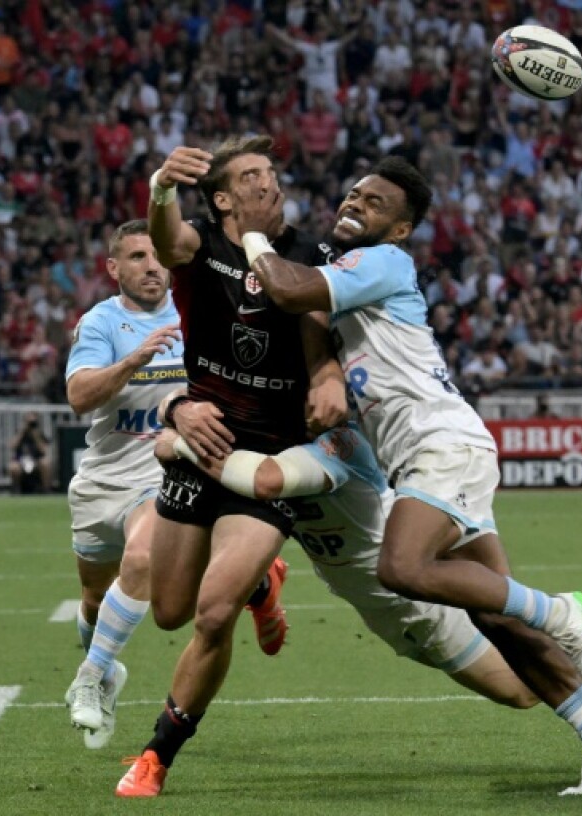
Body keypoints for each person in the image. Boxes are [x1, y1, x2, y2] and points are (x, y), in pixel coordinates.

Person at [228, 157, 582, 794]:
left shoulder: (384, 263)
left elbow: (287, 288)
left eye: (376, 202)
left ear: (402, 229)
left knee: (402, 568)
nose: (355, 204)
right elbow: (309, 316)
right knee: (497, 620)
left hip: (441, 443)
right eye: (353, 194)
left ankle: (564, 614)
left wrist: (252, 234)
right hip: (422, 453)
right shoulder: (342, 279)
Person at [155, 414, 582, 753]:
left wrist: (181, 438)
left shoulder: (339, 445)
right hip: (392, 611)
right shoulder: (286, 440)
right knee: (526, 674)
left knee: (524, 687)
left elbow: (264, 481)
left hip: (421, 602)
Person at [116, 136, 347, 797]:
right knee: (168, 612)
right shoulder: (201, 250)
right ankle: (262, 587)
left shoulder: (309, 257)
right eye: (251, 176)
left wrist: (327, 376)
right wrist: (161, 187)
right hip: (199, 451)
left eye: (272, 173)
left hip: (268, 460)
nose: (268, 184)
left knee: (210, 616)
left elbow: (323, 333)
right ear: (221, 199)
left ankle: (157, 754)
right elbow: (168, 241)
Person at [60, 221, 184, 750]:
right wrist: (133, 360)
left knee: (142, 560)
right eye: (137, 256)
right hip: (102, 477)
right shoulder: (101, 322)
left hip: (160, 472)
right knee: (92, 596)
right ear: (114, 268)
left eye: (158, 257)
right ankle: (108, 671)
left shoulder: (194, 314)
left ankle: (89, 679)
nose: (151, 267)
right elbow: (79, 396)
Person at [9, 412, 50, 492]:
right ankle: (16, 490)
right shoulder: (20, 432)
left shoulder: (39, 433)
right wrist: (22, 432)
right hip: (21, 460)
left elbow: (43, 450)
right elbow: (12, 446)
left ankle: (46, 489)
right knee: (13, 467)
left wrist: (35, 435)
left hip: (36, 460)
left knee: (46, 463)